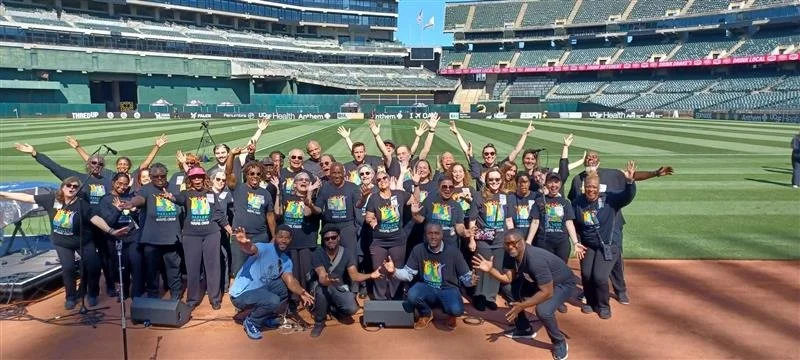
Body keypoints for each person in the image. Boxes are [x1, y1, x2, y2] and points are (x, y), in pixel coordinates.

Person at [0, 177, 128, 310]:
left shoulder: (81, 204)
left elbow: (95, 218)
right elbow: (27, 198)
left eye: (75, 186)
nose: (72, 188)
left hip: (83, 241)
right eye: (69, 185)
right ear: (63, 187)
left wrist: (111, 230)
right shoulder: (51, 199)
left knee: (93, 266)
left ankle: (92, 294)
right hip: (62, 243)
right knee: (68, 268)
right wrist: (3, 194)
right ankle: (71, 297)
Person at [567, 150, 672, 305]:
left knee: (614, 258)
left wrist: (655, 173)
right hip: (588, 228)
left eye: (594, 157)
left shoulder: (612, 174)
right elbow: (574, 202)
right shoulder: (577, 179)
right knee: (587, 259)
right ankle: (589, 289)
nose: (590, 160)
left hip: (612, 225)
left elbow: (632, 176)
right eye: (588, 158)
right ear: (584, 161)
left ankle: (620, 290)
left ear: (599, 161)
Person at [472, 231, 577, 360]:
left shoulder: (534, 258)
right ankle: (524, 328)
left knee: (543, 311)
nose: (511, 247)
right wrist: (490, 270)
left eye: (514, 243)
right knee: (507, 288)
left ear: (522, 241)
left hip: (561, 284)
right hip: (541, 283)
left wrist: (522, 305)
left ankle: (559, 341)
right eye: (507, 244)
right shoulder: (510, 254)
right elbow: (507, 279)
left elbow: (547, 291)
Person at [572, 162, 637, 319]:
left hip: (607, 245)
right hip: (588, 245)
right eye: (588, 187)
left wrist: (629, 182)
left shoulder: (609, 200)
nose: (591, 190)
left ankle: (603, 305)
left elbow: (627, 197)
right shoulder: (578, 203)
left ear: (599, 187)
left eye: (594, 187)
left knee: (600, 277)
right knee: (587, 275)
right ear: (584, 187)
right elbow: (573, 222)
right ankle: (590, 301)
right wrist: (577, 242)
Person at [384, 223, 477, 330]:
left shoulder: (453, 252)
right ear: (425, 235)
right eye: (430, 233)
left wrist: (471, 280)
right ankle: (426, 313)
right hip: (427, 287)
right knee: (412, 295)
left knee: (456, 310)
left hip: (448, 289)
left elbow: (465, 276)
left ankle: (451, 314)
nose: (433, 237)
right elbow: (408, 274)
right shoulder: (418, 250)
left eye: (436, 233)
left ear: (442, 235)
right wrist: (394, 271)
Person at [229, 226, 315, 340]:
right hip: (242, 294)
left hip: (260, 291)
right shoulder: (264, 248)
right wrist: (244, 243)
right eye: (280, 237)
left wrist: (302, 292)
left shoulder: (286, 260)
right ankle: (252, 322)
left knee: (283, 288)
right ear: (275, 237)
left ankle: (265, 317)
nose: (284, 240)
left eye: (287, 238)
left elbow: (290, 281)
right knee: (273, 300)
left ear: (291, 240)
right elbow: (250, 248)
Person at [168, 167, 233, 309]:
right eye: (194, 177)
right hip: (191, 236)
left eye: (199, 177)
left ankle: (215, 298)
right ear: (190, 179)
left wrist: (228, 228)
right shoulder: (186, 194)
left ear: (204, 178)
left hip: (211, 234)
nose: (197, 180)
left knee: (213, 267)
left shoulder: (210, 193)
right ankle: (192, 298)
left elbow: (217, 213)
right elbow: (178, 199)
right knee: (193, 268)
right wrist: (171, 197)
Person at [309, 225, 382, 337]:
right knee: (321, 291)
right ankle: (319, 322)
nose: (330, 240)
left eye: (333, 237)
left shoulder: (346, 253)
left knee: (352, 308)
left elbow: (355, 276)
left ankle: (332, 309)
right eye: (327, 238)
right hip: (322, 286)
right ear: (323, 241)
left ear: (339, 238)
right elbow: (322, 277)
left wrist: (371, 275)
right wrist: (328, 279)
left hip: (338, 287)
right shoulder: (317, 253)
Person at [124, 163, 183, 299]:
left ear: (166, 174)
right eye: (155, 176)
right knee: (152, 271)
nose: (159, 178)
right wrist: (132, 203)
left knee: (173, 269)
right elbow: (140, 199)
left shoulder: (174, 188)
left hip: (171, 237)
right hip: (151, 239)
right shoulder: (146, 189)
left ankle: (175, 295)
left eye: (162, 176)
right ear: (150, 177)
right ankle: (153, 296)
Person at [364, 169, 419, 300]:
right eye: (379, 180)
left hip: (398, 240)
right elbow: (368, 217)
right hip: (378, 241)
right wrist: (374, 225)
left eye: (384, 178)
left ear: (389, 180)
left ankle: (397, 298)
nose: (382, 181)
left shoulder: (399, 194)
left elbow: (415, 199)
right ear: (376, 183)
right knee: (379, 271)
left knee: (397, 270)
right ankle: (380, 300)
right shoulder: (374, 198)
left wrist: (416, 185)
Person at [272, 171, 320, 309]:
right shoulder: (287, 197)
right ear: (295, 184)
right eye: (301, 180)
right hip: (290, 242)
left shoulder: (314, 200)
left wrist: (309, 193)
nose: (304, 182)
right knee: (293, 271)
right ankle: (294, 300)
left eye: (307, 180)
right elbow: (277, 213)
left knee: (307, 273)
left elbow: (307, 212)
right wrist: (278, 192)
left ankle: (309, 299)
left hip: (306, 241)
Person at [225, 147, 276, 275]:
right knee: (239, 271)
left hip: (260, 236)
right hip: (240, 236)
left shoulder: (265, 193)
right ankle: (238, 295)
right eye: (251, 174)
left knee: (259, 271)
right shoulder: (238, 187)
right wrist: (231, 154)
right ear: (246, 175)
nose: (255, 176)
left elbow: (270, 216)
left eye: (258, 174)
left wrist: (274, 236)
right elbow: (228, 172)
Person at [470, 167, 513, 311]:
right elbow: (472, 220)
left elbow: (508, 219)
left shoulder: (506, 196)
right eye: (491, 179)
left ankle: (490, 297)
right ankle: (479, 296)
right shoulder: (479, 195)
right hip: (483, 239)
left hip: (500, 240)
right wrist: (471, 239)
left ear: (501, 181)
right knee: (480, 267)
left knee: (496, 268)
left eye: (497, 179)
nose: (494, 182)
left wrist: (511, 238)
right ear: (487, 181)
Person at [97, 172, 144, 299]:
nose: (122, 187)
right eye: (119, 184)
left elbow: (139, 218)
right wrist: (117, 210)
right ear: (113, 183)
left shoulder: (131, 197)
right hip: (116, 239)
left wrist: (135, 211)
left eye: (125, 184)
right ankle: (123, 292)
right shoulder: (105, 200)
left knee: (136, 264)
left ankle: (137, 293)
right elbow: (108, 222)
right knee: (120, 267)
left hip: (133, 236)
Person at [528, 173, 583, 263]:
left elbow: (569, 223)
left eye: (556, 182)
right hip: (544, 242)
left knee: (561, 270)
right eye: (550, 182)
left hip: (562, 244)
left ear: (560, 184)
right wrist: (529, 242)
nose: (553, 185)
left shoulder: (566, 202)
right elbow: (535, 222)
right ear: (546, 184)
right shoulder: (539, 201)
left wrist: (575, 242)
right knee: (545, 269)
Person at [312, 163, 361, 259]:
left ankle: (352, 273)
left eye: (339, 173)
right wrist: (310, 205)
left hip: (347, 226)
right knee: (330, 257)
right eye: (334, 173)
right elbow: (318, 209)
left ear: (344, 173)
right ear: (330, 174)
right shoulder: (325, 187)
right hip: (330, 226)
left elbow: (358, 205)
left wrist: (363, 198)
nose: (337, 175)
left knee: (350, 256)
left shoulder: (352, 187)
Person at [412, 177, 470, 250]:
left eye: (451, 187)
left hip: (450, 246)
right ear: (439, 188)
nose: (448, 189)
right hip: (431, 245)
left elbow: (459, 227)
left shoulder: (457, 205)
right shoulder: (429, 201)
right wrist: (414, 214)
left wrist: (464, 232)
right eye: (444, 187)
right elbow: (420, 220)